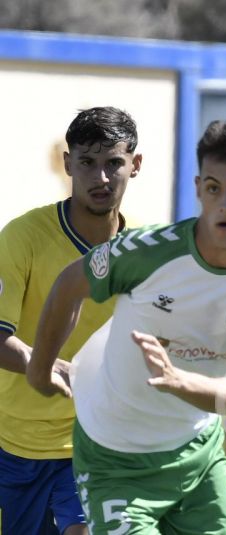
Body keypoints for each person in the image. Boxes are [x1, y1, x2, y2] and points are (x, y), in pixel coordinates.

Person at [27, 118, 226, 534]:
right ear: (197, 188)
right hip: (112, 458)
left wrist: (179, 382)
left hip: (197, 455)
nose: (224, 204)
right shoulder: (147, 252)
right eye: (213, 188)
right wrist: (39, 369)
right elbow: (70, 283)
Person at [0, 106, 140, 535]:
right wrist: (43, 364)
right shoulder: (23, 236)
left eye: (113, 163)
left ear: (135, 166)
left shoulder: (143, 251)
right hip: (13, 444)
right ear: (67, 164)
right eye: (87, 163)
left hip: (92, 447)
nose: (100, 178)